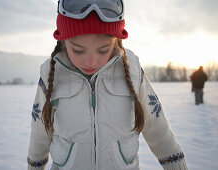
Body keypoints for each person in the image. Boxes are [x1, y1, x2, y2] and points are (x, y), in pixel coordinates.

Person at [27, 0, 188, 169]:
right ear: (63, 41)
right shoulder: (51, 74)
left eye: (103, 50)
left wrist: (176, 164)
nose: (91, 61)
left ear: (116, 42)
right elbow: (40, 130)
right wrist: (35, 166)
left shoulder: (132, 70)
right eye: (78, 50)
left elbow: (157, 125)